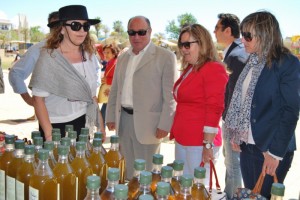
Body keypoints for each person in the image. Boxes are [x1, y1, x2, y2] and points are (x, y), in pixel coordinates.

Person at [224, 11, 300, 198]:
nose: (243, 40)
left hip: (271, 147)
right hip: (248, 145)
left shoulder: (286, 63)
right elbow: (243, 102)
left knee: (264, 195)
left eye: (248, 35)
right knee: (252, 194)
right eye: (243, 34)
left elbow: (291, 110)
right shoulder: (252, 61)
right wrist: (237, 134)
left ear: (265, 34)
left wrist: (275, 153)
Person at [106, 16, 178, 179]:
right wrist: (110, 116)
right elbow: (115, 89)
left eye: (141, 32)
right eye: (132, 33)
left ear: (150, 32)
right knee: (127, 171)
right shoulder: (123, 57)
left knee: (146, 173)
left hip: (150, 126)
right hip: (123, 121)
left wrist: (165, 124)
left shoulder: (165, 57)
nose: (136, 37)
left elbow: (170, 96)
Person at [29, 5, 105, 141]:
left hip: (83, 122)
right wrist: (49, 135)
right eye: (76, 26)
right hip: (55, 125)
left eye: (86, 26)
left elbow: (92, 96)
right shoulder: (49, 58)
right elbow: (38, 100)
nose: (82, 31)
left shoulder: (89, 56)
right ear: (62, 28)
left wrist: (101, 126)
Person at [169, 24, 228, 181]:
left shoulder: (213, 68)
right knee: (183, 187)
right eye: (181, 45)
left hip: (199, 143)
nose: (183, 49)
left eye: (187, 44)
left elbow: (215, 108)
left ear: (202, 43)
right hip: (184, 138)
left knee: (197, 189)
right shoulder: (191, 68)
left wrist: (207, 145)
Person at [214, 13, 249, 198]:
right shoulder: (236, 52)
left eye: (217, 28)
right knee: (231, 163)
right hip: (231, 119)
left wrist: (231, 123)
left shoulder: (237, 56)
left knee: (233, 164)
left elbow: (238, 95)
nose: (214, 31)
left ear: (228, 31)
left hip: (234, 121)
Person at [9, 11, 59, 120]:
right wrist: (29, 100)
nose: (58, 29)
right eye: (54, 25)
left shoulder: (79, 48)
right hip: (49, 115)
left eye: (62, 24)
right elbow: (16, 73)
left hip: (78, 114)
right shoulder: (39, 49)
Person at [98, 43, 120, 124]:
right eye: (104, 52)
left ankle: (101, 132)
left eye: (108, 52)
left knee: (103, 114)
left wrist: (107, 80)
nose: (105, 54)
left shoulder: (115, 63)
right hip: (110, 93)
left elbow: (118, 79)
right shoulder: (111, 62)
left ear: (114, 53)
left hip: (111, 93)